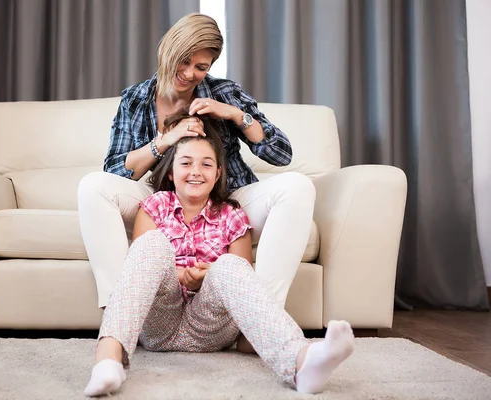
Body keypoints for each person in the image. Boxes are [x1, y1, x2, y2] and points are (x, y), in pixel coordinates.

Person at [83, 112, 355, 397]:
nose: (196, 171)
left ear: (218, 174)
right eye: (186, 163)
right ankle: (108, 360)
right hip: (158, 324)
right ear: (172, 172)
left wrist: (205, 277)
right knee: (150, 244)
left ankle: (301, 362)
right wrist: (181, 276)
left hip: (210, 328)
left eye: (206, 164)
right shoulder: (154, 205)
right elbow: (139, 271)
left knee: (228, 265)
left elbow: (241, 277)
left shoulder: (232, 214)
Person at [77, 12, 315, 318]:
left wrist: (234, 115)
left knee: (298, 186)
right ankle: (120, 314)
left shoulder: (224, 93)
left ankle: (260, 318)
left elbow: (281, 154)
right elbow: (115, 170)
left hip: (228, 200)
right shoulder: (136, 100)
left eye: (201, 67)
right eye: (184, 61)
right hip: (162, 201)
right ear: (167, 52)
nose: (189, 74)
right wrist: (165, 139)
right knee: (92, 186)